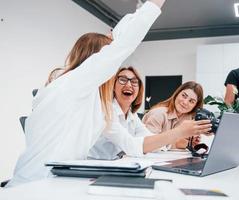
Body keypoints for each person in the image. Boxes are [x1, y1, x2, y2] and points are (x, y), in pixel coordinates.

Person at [7, 0, 166, 187]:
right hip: (34, 185)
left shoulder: (88, 98)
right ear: (95, 60)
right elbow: (122, 46)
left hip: (58, 183)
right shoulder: (72, 84)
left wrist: (122, 28)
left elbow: (131, 144)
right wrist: (153, 4)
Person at [88, 68, 212, 160]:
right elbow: (132, 146)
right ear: (113, 86)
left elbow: (150, 139)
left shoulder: (132, 116)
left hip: (114, 165)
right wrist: (179, 133)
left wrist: (178, 142)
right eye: (123, 80)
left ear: (139, 90)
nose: (129, 84)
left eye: (134, 82)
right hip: (94, 167)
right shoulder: (105, 111)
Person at [142, 81, 205, 150]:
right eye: (184, 96)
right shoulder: (158, 114)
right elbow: (147, 145)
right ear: (177, 94)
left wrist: (191, 141)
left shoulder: (188, 118)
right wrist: (178, 144)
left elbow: (183, 143)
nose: (185, 102)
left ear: (195, 106)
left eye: (191, 101)